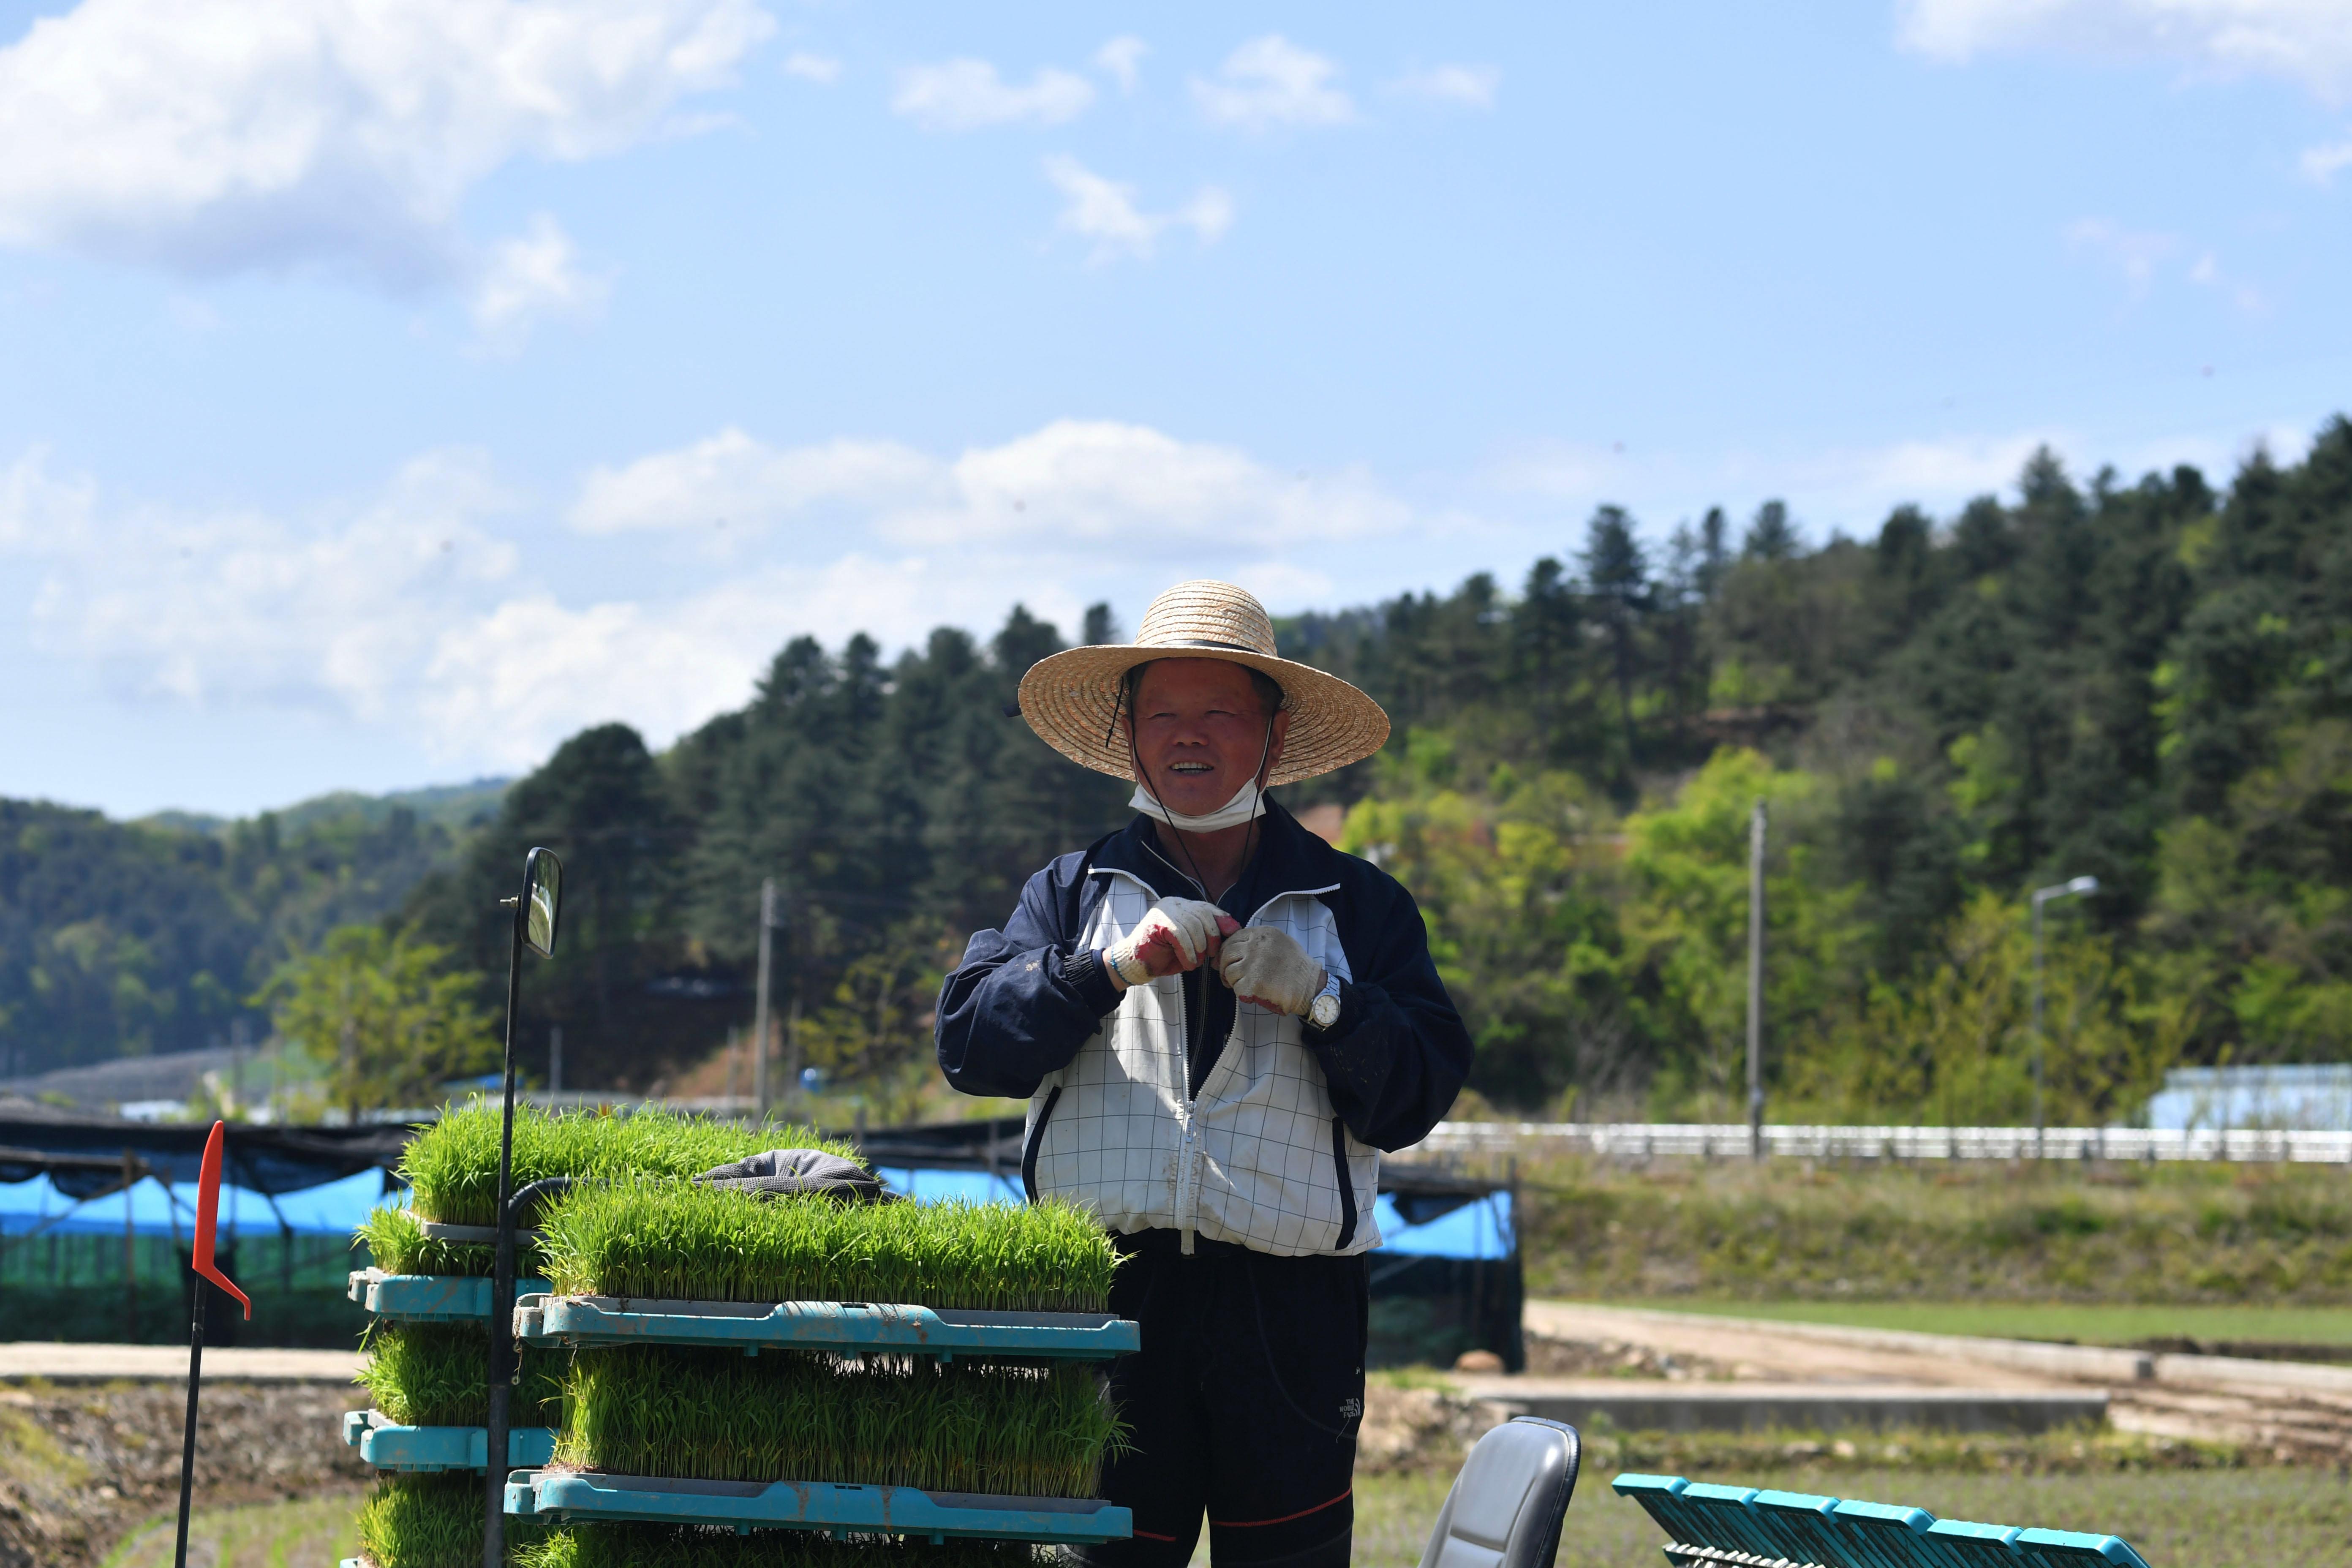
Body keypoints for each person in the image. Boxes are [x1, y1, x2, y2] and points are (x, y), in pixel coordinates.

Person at [936, 580, 1473, 1568]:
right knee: (1101, 1555)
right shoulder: (1070, 894)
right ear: (1130, 736)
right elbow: (972, 1043)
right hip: (1105, 1292)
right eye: (1163, 714)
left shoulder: (1358, 907)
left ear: (1272, 736)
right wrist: (1105, 969)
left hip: (1292, 1309)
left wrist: (1327, 999)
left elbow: (1417, 1094)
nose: (1190, 737)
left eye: (1220, 712)